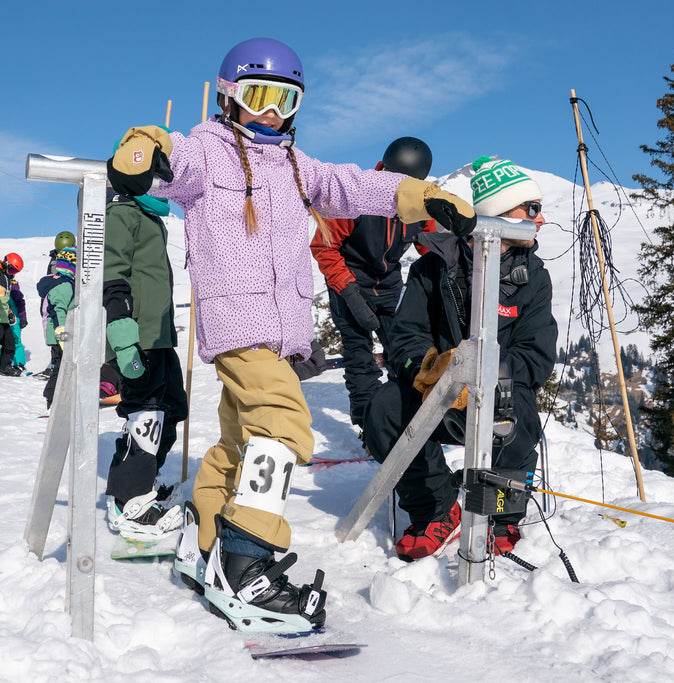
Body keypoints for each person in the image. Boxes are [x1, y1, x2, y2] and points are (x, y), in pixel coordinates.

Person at [106, 37, 476, 632]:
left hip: (280, 329)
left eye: (285, 99)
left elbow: (353, 185)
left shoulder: (295, 166)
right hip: (238, 320)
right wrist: (148, 147)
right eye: (259, 97)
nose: (272, 112)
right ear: (231, 97)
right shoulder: (212, 149)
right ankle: (248, 563)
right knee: (281, 421)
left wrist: (419, 197)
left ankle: (208, 547)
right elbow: (173, 162)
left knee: (238, 440)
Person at [362, 156, 557, 562]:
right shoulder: (434, 268)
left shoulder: (533, 276)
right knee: (384, 407)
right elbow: (405, 335)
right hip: (438, 394)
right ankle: (437, 507)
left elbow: (536, 355)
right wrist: (429, 371)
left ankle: (501, 519)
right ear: (498, 216)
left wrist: (488, 375)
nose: (540, 219)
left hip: (495, 398)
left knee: (519, 410)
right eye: (531, 209)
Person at [311, 137, 437, 429]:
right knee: (360, 356)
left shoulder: (419, 203)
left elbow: (432, 246)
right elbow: (324, 247)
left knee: (404, 350)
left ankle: (403, 415)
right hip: (349, 281)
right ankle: (368, 424)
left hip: (389, 284)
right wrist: (349, 292)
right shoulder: (354, 198)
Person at [102, 187, 188, 544]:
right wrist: (121, 328)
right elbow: (112, 270)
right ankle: (128, 501)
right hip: (137, 335)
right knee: (146, 411)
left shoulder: (151, 217)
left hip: (160, 336)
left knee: (172, 407)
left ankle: (145, 481)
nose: (161, 185)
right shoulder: (122, 214)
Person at [36, 248, 75, 408]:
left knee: (60, 364)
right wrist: (62, 332)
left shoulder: (60, 282)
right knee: (61, 366)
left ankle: (56, 397)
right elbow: (59, 309)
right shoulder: (64, 285)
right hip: (60, 334)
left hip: (58, 333)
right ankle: (52, 398)